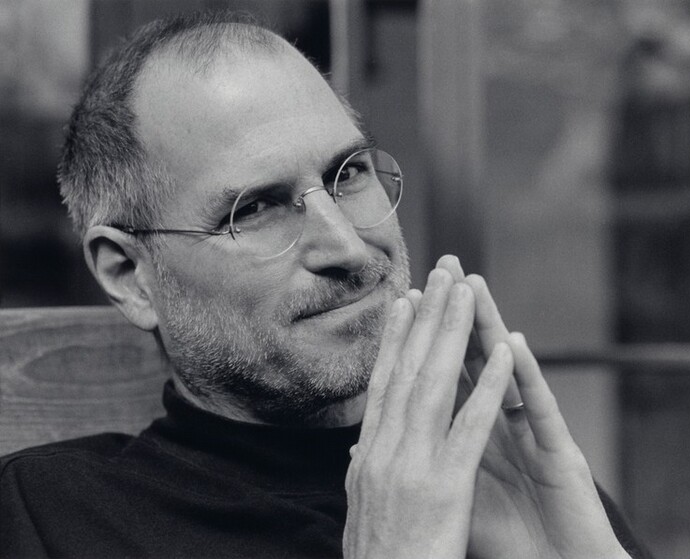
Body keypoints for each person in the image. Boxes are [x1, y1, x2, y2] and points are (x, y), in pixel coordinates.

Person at [0, 11, 649, 559]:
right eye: (254, 208)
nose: (346, 245)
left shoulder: (516, 487)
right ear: (129, 273)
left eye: (349, 172)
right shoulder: (57, 515)